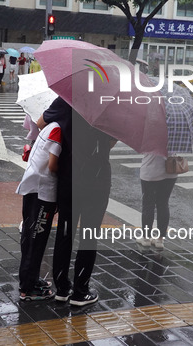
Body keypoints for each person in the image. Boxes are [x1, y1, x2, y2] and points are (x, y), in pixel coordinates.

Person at [37, 97, 114, 306]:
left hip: (69, 176)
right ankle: (81, 292)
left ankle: (62, 288)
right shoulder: (109, 104)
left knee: (65, 232)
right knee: (89, 235)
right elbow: (110, 142)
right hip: (97, 179)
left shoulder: (66, 99)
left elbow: (40, 123)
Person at [16, 120, 62, 301]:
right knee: (36, 240)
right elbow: (52, 165)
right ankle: (28, 288)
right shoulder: (57, 130)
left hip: (32, 187)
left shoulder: (49, 127)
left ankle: (31, 279)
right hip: (43, 192)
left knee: (30, 237)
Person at [136, 153, 178, 249]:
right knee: (163, 204)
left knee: (148, 205)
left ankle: (146, 238)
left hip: (150, 171)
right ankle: (160, 240)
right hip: (169, 170)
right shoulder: (174, 137)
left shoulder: (149, 137)